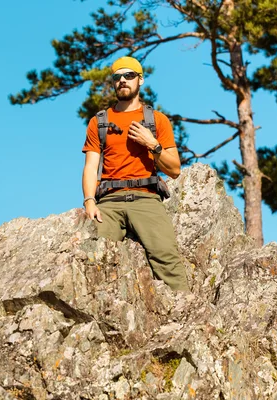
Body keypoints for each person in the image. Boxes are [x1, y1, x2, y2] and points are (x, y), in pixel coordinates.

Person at [81, 56, 189, 292]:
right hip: (109, 202)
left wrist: (153, 144)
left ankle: (187, 318)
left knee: (166, 259)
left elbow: (174, 169)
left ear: (140, 80)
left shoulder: (157, 120)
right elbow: (91, 166)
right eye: (117, 77)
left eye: (129, 75)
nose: (122, 80)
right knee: (94, 259)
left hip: (146, 199)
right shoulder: (99, 122)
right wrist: (89, 201)